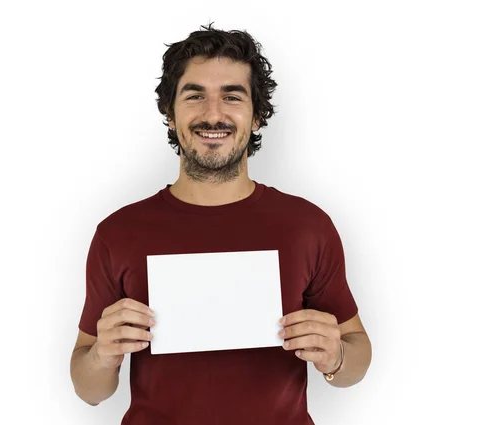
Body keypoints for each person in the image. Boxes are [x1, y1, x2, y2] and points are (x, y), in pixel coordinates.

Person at [70, 22, 372, 424]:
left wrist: (336, 356)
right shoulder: (118, 232)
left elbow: (356, 358)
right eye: (195, 96)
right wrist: (102, 355)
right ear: (169, 113)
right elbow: (89, 390)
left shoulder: (308, 225)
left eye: (232, 96)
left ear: (257, 116)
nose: (213, 114)